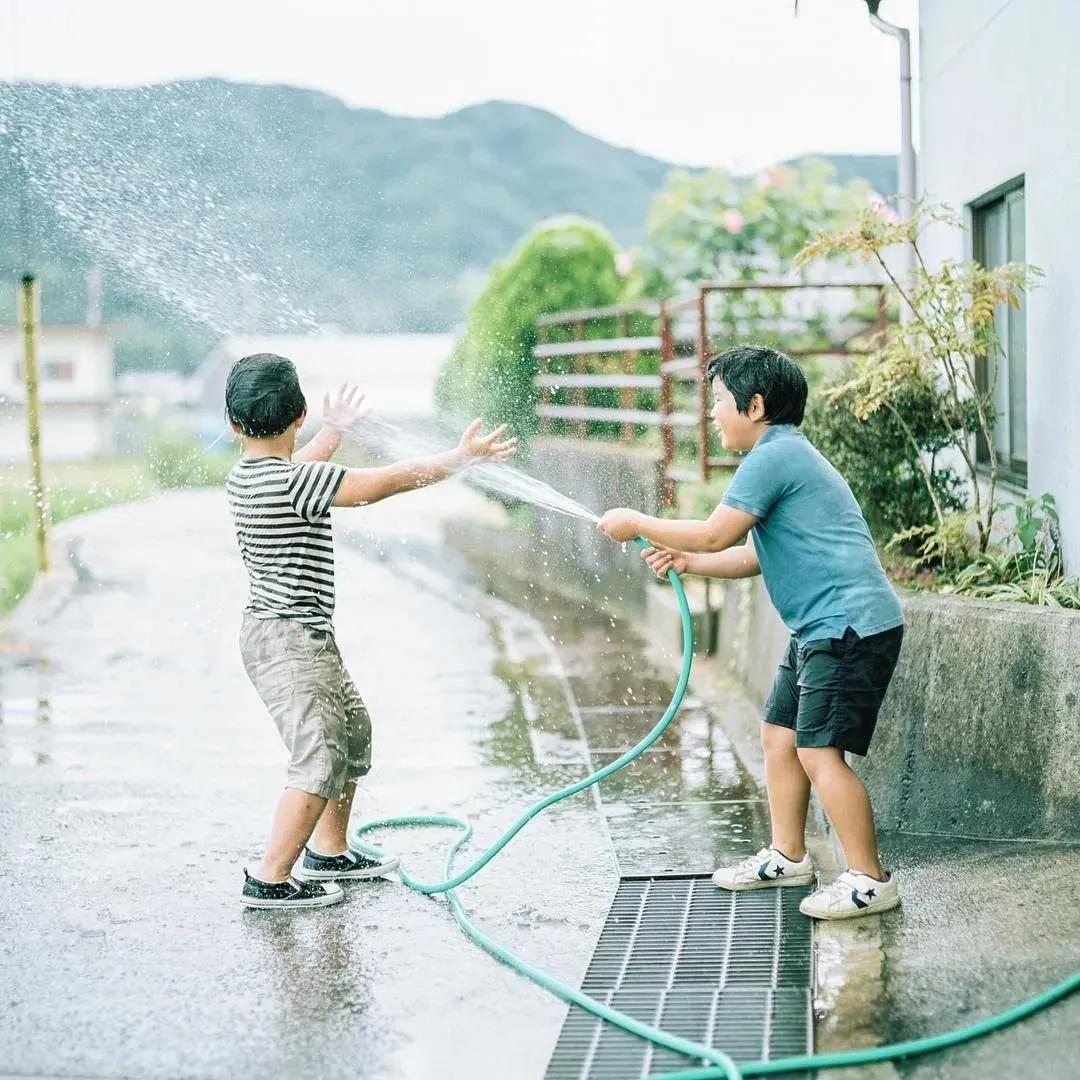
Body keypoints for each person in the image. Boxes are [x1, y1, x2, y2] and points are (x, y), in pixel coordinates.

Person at [597, 344, 904, 920]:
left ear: (755, 405)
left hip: (847, 627)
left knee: (819, 752)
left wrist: (637, 521)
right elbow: (746, 556)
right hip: (821, 628)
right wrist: (687, 564)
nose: (712, 413)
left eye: (718, 401)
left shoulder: (774, 457)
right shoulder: (778, 457)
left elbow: (714, 534)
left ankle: (869, 878)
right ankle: (789, 856)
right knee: (778, 736)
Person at [225, 352, 516, 909]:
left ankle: (329, 850)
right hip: (288, 641)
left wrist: (334, 432)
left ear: (233, 425)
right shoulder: (296, 482)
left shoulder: (250, 477)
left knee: (353, 734)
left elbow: (301, 465)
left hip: (296, 637)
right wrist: (457, 459)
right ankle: (269, 875)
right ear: (299, 413)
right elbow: (378, 484)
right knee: (318, 757)